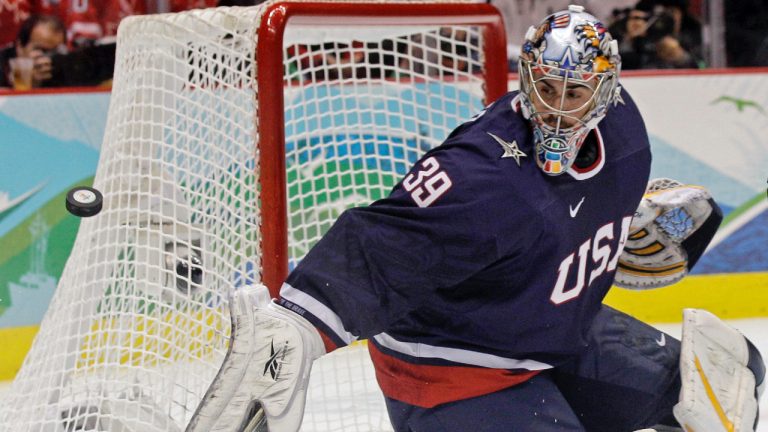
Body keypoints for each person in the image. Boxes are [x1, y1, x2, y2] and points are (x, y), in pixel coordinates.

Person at [192, 5, 765, 432]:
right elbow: (381, 243)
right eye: (545, 87)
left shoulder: (625, 133)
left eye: (576, 91)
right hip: (454, 371)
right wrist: (297, 324)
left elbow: (569, 212)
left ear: (607, 91)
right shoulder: (480, 177)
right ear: (526, 76)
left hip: (554, 333)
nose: (557, 107)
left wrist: (615, 231)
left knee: (733, 371)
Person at [0, 15, 66, 89]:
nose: (47, 59)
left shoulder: (65, 68)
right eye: (41, 50)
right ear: (20, 47)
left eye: (54, 52)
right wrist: (24, 79)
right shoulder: (2, 64)